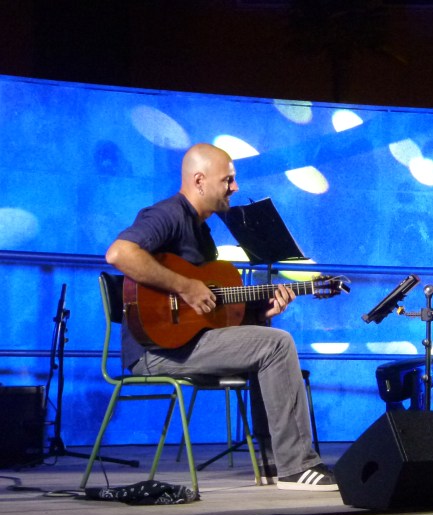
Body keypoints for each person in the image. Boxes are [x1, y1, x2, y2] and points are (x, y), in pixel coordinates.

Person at [105, 143, 335, 491]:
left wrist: (261, 310)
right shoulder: (167, 214)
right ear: (199, 181)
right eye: (228, 180)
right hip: (156, 350)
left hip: (188, 342)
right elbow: (119, 253)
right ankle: (297, 466)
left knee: (266, 340)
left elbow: (212, 311)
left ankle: (275, 462)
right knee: (276, 345)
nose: (235, 187)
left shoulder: (203, 233)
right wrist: (184, 286)